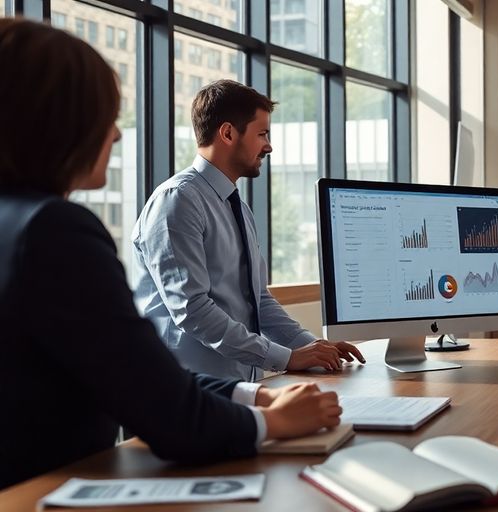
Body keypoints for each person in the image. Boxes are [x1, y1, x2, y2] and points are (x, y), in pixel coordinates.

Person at [0, 19, 340, 489]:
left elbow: (128, 373)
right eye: (105, 117)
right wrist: (274, 419)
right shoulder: (53, 231)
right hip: (52, 489)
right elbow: (161, 392)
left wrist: (261, 390)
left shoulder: (20, 223)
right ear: (58, 121)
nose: (116, 137)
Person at [132, 80, 364, 381]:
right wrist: (287, 357)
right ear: (228, 133)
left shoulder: (236, 206)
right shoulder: (177, 201)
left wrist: (312, 347)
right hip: (186, 394)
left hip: (238, 388)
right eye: (262, 134)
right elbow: (193, 310)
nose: (268, 146)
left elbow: (258, 299)